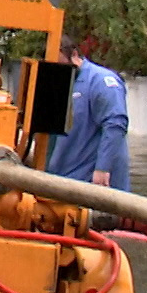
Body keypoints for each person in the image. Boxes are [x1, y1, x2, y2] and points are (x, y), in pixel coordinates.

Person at [46, 41, 130, 191]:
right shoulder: (59, 83)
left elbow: (115, 125)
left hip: (93, 182)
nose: (57, 68)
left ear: (74, 54)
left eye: (60, 62)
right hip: (63, 180)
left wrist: (103, 168)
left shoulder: (101, 81)